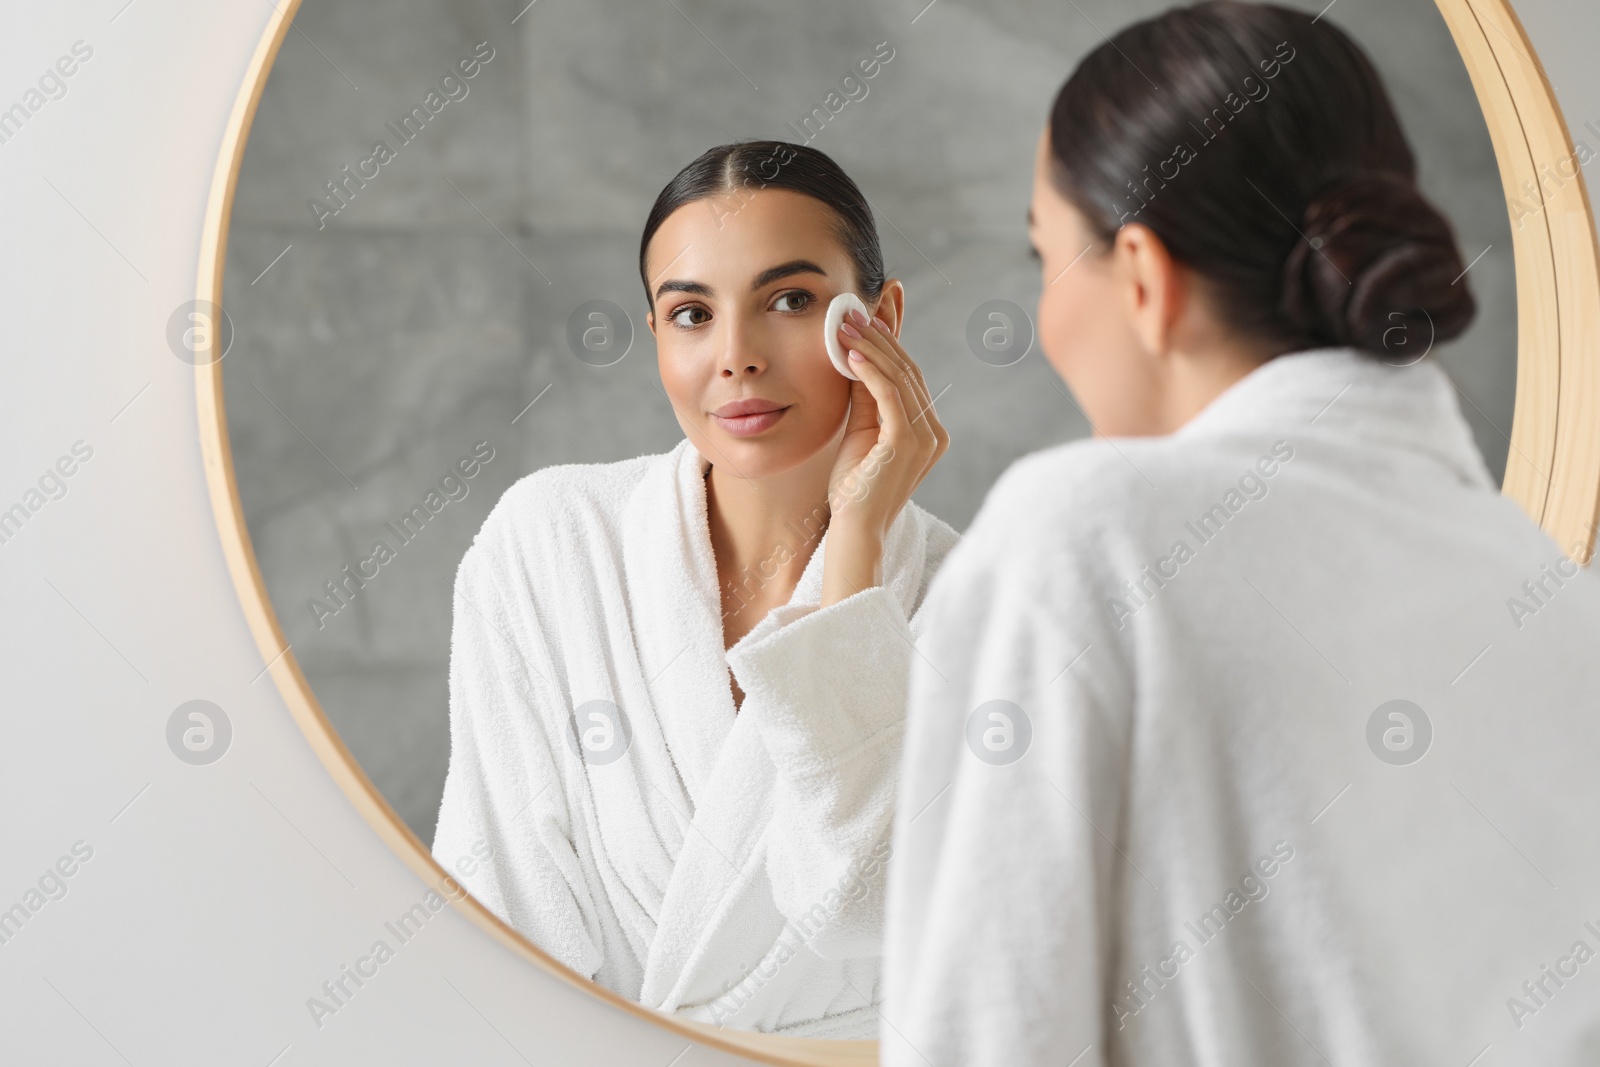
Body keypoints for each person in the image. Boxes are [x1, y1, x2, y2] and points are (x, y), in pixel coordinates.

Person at [882, 3, 1600, 1064]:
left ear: (1140, 276)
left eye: (1045, 256)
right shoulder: (1542, 583)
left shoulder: (1085, 540)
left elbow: (987, 1033)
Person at [432, 140, 953, 1038]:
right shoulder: (550, 543)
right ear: (655, 337)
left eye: (790, 300)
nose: (737, 356)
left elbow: (868, 899)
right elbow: (495, 906)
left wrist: (856, 547)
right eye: (691, 314)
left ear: (883, 320)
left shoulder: (974, 596)